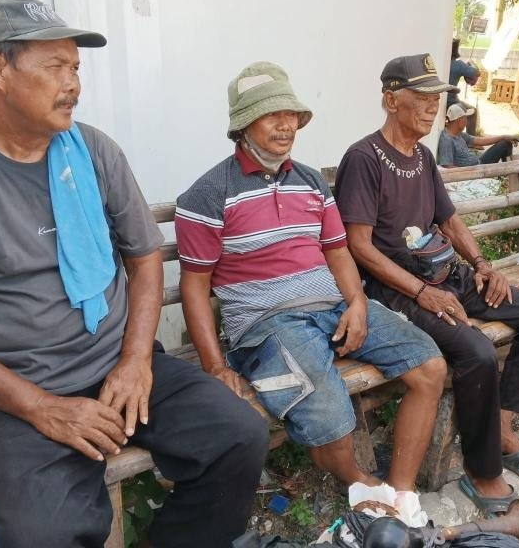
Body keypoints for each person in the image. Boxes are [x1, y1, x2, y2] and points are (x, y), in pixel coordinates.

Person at [0, 0, 268, 548]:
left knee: (238, 435)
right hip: (20, 389)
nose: (73, 84)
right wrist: (43, 408)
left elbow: (144, 255)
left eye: (76, 67)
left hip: (116, 364)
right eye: (55, 66)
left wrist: (133, 360)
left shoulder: (93, 151)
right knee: (39, 534)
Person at [175, 61, 446, 495]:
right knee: (333, 422)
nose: (286, 127)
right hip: (268, 325)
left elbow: (338, 252)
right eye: (272, 116)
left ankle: (401, 492)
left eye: (291, 116)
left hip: (333, 308)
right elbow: (194, 285)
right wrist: (214, 365)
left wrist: (357, 304)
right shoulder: (209, 195)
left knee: (430, 366)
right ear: (244, 124)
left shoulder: (310, 182)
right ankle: (363, 487)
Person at [335, 53, 519, 518]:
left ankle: (501, 426)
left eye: (435, 100)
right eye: (420, 99)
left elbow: (448, 218)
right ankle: (484, 471)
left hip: (447, 276)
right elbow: (358, 246)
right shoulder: (363, 159)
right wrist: (420, 293)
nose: (430, 110)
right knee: (476, 351)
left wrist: (483, 263)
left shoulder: (422, 156)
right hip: (397, 290)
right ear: (389, 99)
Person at [438, 103, 519, 167]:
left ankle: (508, 171)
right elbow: (448, 167)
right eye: (466, 118)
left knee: (505, 141)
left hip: (478, 162)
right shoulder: (447, 140)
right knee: (504, 144)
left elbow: (480, 141)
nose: (467, 121)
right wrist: (472, 173)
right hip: (477, 168)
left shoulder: (459, 134)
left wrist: (503, 136)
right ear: (459, 120)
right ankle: (511, 172)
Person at [449, 38, 480, 134]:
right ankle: (471, 140)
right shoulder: (458, 65)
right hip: (451, 101)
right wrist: (470, 62)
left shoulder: (442, 62)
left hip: (442, 99)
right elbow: (476, 73)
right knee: (472, 111)